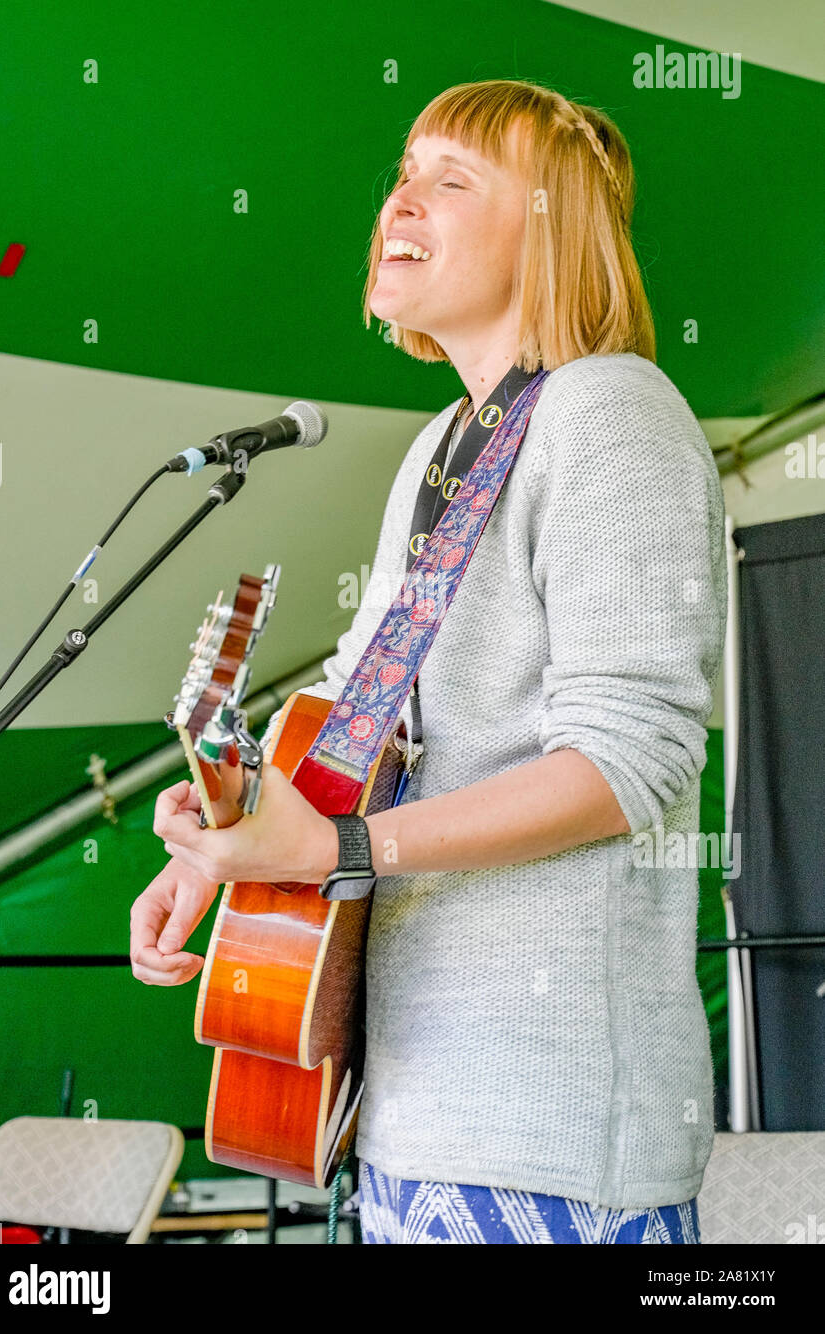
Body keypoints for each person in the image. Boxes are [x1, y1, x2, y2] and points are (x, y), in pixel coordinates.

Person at [130, 79, 727, 1245]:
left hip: (551, 1139)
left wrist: (339, 846)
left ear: (553, 230)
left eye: (452, 180)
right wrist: (225, 845)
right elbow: (350, 707)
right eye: (402, 174)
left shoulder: (612, 413)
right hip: (408, 1117)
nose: (400, 199)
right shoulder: (439, 448)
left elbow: (630, 758)